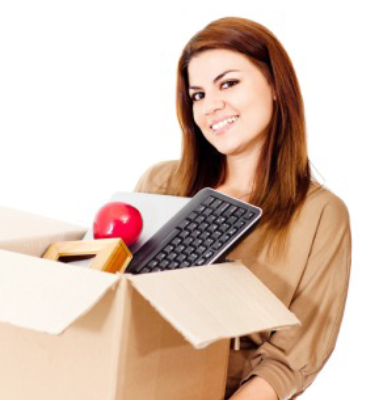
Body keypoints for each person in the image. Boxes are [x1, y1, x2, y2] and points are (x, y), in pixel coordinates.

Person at [134, 18, 351, 400]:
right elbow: (120, 297)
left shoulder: (320, 214)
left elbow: (292, 355)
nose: (210, 106)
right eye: (197, 94)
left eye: (228, 83)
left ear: (275, 87)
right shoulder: (162, 184)